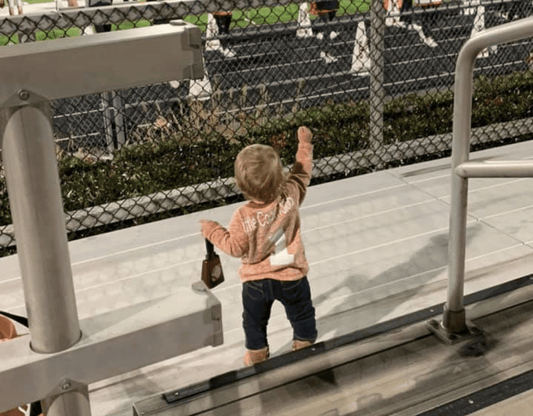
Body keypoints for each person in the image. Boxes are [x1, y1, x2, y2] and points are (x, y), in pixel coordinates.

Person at [200, 126, 318, 366]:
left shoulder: (242, 216)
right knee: (302, 313)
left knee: (254, 321)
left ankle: (257, 353)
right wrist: (304, 145)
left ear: (240, 185)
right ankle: (304, 343)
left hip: (256, 281)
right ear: (281, 177)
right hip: (291, 273)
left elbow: (234, 247)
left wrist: (211, 229)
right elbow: (302, 173)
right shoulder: (291, 192)